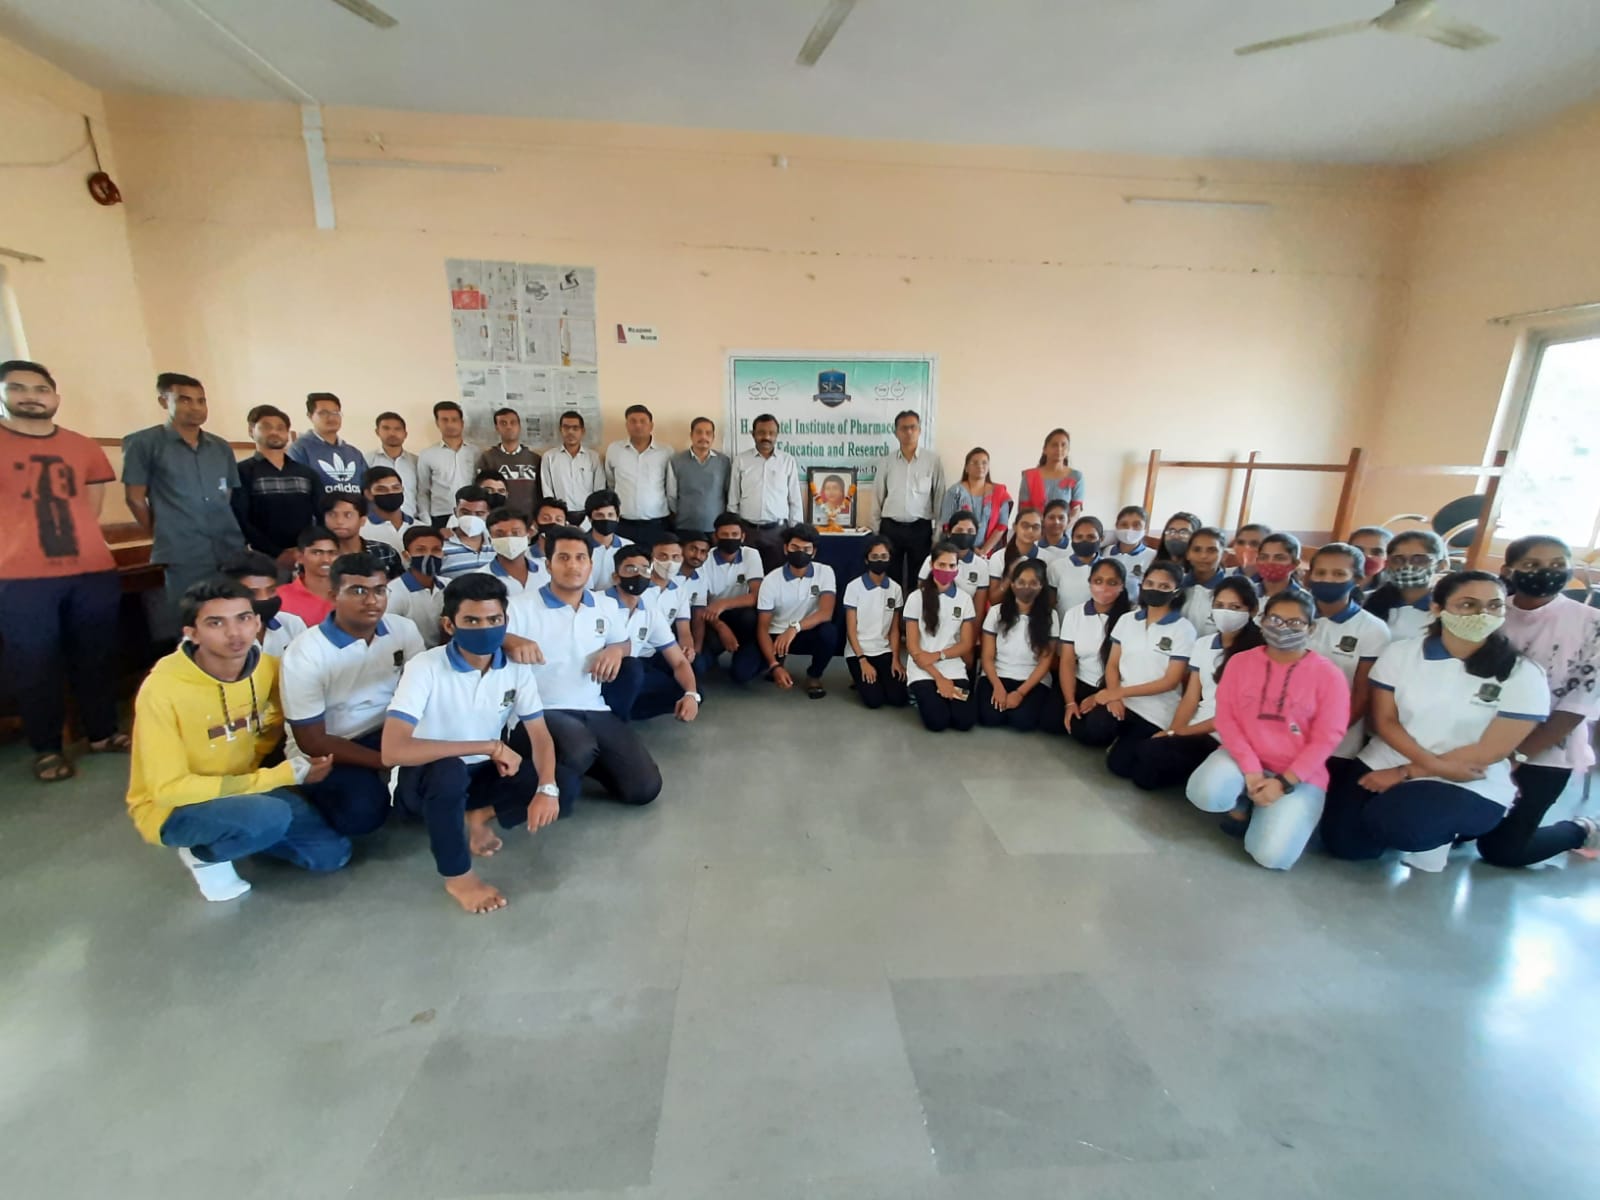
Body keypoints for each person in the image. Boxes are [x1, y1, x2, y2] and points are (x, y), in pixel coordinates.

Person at [126, 579, 349, 901]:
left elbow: (291, 721)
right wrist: (280, 776)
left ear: (257, 622)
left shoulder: (268, 669)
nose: (235, 633)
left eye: (243, 619)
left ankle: (242, 828)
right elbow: (167, 789)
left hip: (244, 787)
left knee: (332, 856)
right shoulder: (162, 690)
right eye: (216, 623)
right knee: (269, 817)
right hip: (175, 807)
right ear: (192, 632)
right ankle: (203, 854)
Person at [1322, 571, 1555, 871]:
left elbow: (1493, 749)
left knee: (1405, 824)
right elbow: (1385, 721)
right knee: (1347, 845)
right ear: (1437, 608)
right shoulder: (1402, 654)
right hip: (1388, 759)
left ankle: (1439, 836)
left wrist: (1408, 772)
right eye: (1468, 605)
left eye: (1494, 605)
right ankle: (1403, 818)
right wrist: (1422, 766)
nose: (1481, 614)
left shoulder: (1521, 672)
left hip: (1468, 774)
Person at [383, 572, 559, 914]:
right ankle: (458, 876)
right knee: (448, 772)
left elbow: (540, 735)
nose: (485, 628)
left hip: (480, 772)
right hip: (423, 780)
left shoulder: (515, 668)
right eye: (472, 620)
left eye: (494, 619)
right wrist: (489, 746)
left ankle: (475, 817)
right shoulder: (425, 668)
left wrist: (547, 788)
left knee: (558, 778)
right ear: (450, 626)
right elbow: (393, 750)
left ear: (506, 622)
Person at [0, 359, 127, 781]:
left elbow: (90, 506)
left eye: (39, 389)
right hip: (19, 577)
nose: (30, 396)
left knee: (97, 657)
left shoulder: (83, 446)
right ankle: (47, 747)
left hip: (90, 568)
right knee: (35, 663)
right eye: (18, 388)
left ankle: (102, 733)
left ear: (54, 397)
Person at [503, 526, 664, 812]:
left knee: (644, 789)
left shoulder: (603, 606)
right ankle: (553, 767)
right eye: (563, 558)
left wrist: (616, 650)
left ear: (590, 564)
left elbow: (625, 642)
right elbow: (488, 637)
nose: (573, 565)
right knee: (578, 748)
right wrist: (510, 640)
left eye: (580, 558)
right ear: (548, 564)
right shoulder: (518, 608)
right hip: (539, 710)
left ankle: (583, 762)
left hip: (593, 708)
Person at [1185, 591, 1350, 870]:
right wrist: (1251, 770)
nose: (1283, 628)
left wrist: (1284, 783)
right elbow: (1226, 719)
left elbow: (1327, 738)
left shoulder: (1328, 675)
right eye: (1275, 619)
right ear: (1262, 621)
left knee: (1271, 857)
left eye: (1295, 623)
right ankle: (1245, 798)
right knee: (1206, 792)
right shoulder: (1240, 662)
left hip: (1299, 774)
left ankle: (1266, 807)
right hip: (1243, 761)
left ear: (1311, 628)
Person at [1475, 536, 1600, 866]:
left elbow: (1578, 704)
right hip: (1477, 740)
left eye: (1558, 565)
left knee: (1504, 850)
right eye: (1532, 565)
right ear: (1508, 570)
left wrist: (1516, 755)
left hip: (1545, 748)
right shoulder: (1489, 614)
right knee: (1452, 825)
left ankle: (1582, 828)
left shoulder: (1592, 623)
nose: (1546, 572)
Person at [281, 552, 424, 837]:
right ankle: (297, 792)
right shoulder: (305, 653)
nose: (372, 601)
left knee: (439, 787)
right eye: (358, 591)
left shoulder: (402, 629)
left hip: (390, 730)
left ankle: (390, 783)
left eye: (379, 590)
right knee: (360, 816)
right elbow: (312, 741)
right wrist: (387, 760)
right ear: (334, 595)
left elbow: (423, 693)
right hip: (335, 745)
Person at [122, 372, 245, 628]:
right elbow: (134, 499)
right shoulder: (144, 443)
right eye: (185, 400)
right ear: (164, 401)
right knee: (192, 622)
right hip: (183, 552)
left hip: (228, 546)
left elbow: (227, 495)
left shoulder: (221, 447)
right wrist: (163, 533)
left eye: (201, 400)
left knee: (234, 617)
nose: (196, 407)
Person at [1123, 578, 1263, 790]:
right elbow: (1191, 696)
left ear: (1252, 610)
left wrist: (1180, 734)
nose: (1226, 613)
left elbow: (1233, 715)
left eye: (1235, 607)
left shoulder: (1259, 653)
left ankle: (1207, 775)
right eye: (1220, 606)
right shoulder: (1204, 644)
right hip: (1198, 728)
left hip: (1227, 735)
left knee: (1150, 756)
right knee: (1137, 765)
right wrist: (1173, 729)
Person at [1087, 560, 1195, 773]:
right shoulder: (1127, 620)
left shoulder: (1183, 630)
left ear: (1176, 591)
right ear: (1142, 585)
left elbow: (1170, 682)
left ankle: (1129, 743)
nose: (1155, 589)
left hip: (1157, 710)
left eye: (1164, 586)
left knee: (1121, 767)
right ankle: (1122, 739)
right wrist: (1115, 696)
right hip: (1124, 702)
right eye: (1150, 583)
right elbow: (1112, 665)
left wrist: (1117, 692)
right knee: (1094, 727)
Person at [1305, 542, 1392, 784]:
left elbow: (1363, 694)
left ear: (1357, 579)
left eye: (1339, 574)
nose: (1328, 580)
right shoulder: (1298, 616)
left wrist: (1328, 734)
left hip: (1338, 739)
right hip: (1287, 729)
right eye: (1320, 573)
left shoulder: (1372, 629)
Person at [733, 522, 839, 698]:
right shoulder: (771, 580)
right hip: (776, 636)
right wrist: (774, 666)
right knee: (740, 674)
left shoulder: (825, 572)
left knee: (829, 632)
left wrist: (794, 628)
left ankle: (814, 676)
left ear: (814, 553)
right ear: (785, 549)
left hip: (805, 631)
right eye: (795, 547)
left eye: (806, 549)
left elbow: (825, 612)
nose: (800, 553)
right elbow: (763, 628)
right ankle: (777, 661)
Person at [598, 545, 702, 722]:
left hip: (627, 677)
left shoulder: (651, 613)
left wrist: (691, 694)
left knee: (689, 692)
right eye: (630, 569)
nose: (638, 575)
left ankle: (624, 714)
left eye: (645, 569)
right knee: (632, 667)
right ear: (616, 577)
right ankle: (614, 723)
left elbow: (678, 661)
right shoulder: (597, 603)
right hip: (595, 677)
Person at [977, 558, 1061, 732]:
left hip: (1031, 680)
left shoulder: (1050, 616)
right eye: (1021, 582)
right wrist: (998, 687)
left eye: (1033, 583)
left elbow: (1045, 662)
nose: (1026, 587)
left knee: (1022, 721)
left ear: (1041, 586)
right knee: (990, 718)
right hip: (997, 675)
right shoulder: (996, 612)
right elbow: (987, 656)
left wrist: (1020, 693)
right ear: (1013, 585)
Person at [903, 541, 979, 731]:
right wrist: (939, 678)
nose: (947, 570)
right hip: (922, 668)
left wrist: (939, 656)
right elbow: (913, 647)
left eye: (952, 565)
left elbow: (966, 643)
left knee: (965, 721)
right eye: (942, 565)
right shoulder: (915, 598)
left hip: (952, 666)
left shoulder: (964, 599)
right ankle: (918, 693)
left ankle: (933, 695)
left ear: (957, 568)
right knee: (937, 722)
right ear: (932, 565)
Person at [233, 404, 319, 569]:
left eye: (280, 428)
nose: (274, 432)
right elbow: (241, 519)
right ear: (251, 431)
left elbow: (321, 514)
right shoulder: (242, 471)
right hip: (262, 558)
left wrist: (306, 549)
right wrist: (277, 553)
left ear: (287, 434)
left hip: (305, 556)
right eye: (266, 427)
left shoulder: (306, 473)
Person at [1060, 558, 1134, 746]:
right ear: (1090, 582)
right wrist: (1070, 702)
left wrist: (1103, 696)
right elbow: (1067, 661)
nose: (1104, 588)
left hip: (1117, 688)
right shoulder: (1074, 614)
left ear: (1122, 586)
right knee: (1051, 720)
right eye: (1098, 581)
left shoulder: (1131, 617)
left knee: (1095, 730)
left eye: (1112, 583)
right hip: (1083, 681)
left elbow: (1131, 667)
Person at [874, 409, 943, 590]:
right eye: (904, 428)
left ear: (920, 430)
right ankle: (893, 615)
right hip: (891, 527)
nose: (909, 432)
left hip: (920, 528)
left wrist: (938, 532)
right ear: (896, 433)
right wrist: (876, 531)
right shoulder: (886, 461)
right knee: (891, 577)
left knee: (919, 577)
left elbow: (939, 497)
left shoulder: (932, 461)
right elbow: (877, 496)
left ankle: (913, 616)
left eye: (913, 427)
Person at [726, 412, 802, 569]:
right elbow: (733, 499)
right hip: (747, 531)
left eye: (771, 433)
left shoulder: (787, 461)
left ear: (776, 435)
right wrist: (734, 530)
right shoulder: (741, 460)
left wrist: (796, 533)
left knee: (775, 576)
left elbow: (794, 500)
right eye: (761, 432)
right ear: (753, 434)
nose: (766, 437)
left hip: (778, 532)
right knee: (745, 575)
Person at [843, 536, 908, 709]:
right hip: (859, 651)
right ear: (866, 559)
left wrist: (896, 659)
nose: (879, 561)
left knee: (899, 699)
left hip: (884, 650)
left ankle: (878, 677)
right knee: (874, 701)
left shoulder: (895, 588)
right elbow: (850, 630)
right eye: (874, 557)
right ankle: (858, 677)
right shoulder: (854, 587)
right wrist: (862, 660)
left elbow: (894, 629)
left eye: (884, 557)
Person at [698, 510, 764, 674]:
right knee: (700, 666)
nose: (730, 538)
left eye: (735, 534)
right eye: (725, 534)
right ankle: (713, 655)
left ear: (742, 537)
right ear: (716, 537)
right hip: (711, 618)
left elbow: (757, 596)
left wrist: (724, 603)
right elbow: (700, 604)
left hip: (740, 616)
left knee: (742, 674)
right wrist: (721, 627)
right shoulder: (705, 559)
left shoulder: (751, 555)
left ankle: (746, 652)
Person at [604, 403, 673, 547]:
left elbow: (670, 486)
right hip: (623, 523)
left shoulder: (666, 452)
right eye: (633, 421)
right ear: (627, 425)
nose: (638, 425)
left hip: (656, 523)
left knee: (654, 564)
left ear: (651, 425)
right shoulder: (614, 449)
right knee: (624, 564)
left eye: (643, 421)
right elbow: (611, 482)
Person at [219, 551, 307, 658]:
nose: (264, 598)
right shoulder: (217, 633)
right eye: (253, 592)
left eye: (271, 590)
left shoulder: (292, 624)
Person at [1364, 529, 1446, 641]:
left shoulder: (1448, 609)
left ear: (1440, 565)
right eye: (1398, 560)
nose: (1407, 566)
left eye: (1419, 559)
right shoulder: (1368, 601)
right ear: (1387, 564)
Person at [286, 392, 363, 502]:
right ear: (310, 416)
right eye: (323, 413)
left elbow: (366, 489)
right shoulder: (299, 449)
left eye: (336, 412)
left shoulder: (353, 452)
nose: (331, 417)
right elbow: (298, 492)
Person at [669, 415, 733, 540]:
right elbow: (671, 497)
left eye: (708, 433)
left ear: (713, 437)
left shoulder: (723, 462)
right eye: (699, 432)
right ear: (691, 435)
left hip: (715, 528)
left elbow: (728, 493)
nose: (703, 437)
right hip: (685, 527)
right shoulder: (676, 460)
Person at [417, 400, 479, 528]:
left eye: (454, 419)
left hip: (472, 514)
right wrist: (426, 520)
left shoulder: (476, 452)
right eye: (444, 420)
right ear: (437, 423)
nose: (450, 424)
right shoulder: (427, 454)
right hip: (441, 516)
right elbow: (423, 491)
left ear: (461, 423)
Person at [940, 446, 1011, 556]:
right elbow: (946, 525)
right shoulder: (955, 492)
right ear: (966, 468)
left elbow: (1002, 525)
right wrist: (969, 551)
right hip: (958, 552)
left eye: (984, 463)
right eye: (975, 463)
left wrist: (983, 551)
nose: (980, 466)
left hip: (989, 553)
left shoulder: (1000, 493)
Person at [387, 525, 447, 647]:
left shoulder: (449, 585)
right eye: (421, 550)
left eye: (436, 550)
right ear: (406, 555)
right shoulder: (393, 592)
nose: (429, 555)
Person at [540, 409, 603, 524]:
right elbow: (547, 491)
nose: (570, 432)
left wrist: (592, 516)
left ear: (582, 431)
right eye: (566, 428)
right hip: (560, 517)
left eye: (575, 428)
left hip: (588, 516)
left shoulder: (593, 457)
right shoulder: (549, 457)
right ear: (561, 430)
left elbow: (599, 490)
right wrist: (555, 516)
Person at [321, 492, 400, 579]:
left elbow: (397, 588)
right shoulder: (318, 556)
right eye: (332, 515)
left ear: (362, 520)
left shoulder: (384, 552)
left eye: (348, 515)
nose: (339, 521)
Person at [918, 509, 991, 604]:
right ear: (949, 532)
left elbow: (978, 608)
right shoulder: (932, 559)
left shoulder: (981, 566)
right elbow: (920, 597)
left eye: (970, 531)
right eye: (959, 530)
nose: (965, 534)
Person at [475, 406, 540, 512]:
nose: (509, 427)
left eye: (513, 422)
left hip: (529, 518)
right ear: (497, 428)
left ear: (519, 426)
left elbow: (541, 492)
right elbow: (482, 492)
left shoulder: (534, 459)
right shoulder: (487, 458)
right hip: (498, 518)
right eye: (503, 423)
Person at [473, 506, 547, 596]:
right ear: (490, 539)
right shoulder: (479, 579)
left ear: (528, 536)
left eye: (515, 533)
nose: (509, 538)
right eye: (500, 534)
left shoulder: (547, 570)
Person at [278, 524, 340, 625]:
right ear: (299, 557)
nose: (326, 560)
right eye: (317, 553)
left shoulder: (349, 593)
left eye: (332, 553)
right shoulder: (281, 597)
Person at [1047, 514, 1105, 617]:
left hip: (1098, 628)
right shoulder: (1057, 567)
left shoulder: (1108, 568)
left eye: (1091, 537)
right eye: (1079, 537)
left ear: (1101, 539)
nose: (1084, 541)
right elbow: (1051, 603)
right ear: (1072, 539)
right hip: (1064, 627)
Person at [1018, 428, 1084, 518]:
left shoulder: (1076, 477)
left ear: (1068, 450)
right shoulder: (1030, 476)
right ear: (1045, 449)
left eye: (1063, 445)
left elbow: (1076, 510)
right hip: (1036, 528)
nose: (1059, 449)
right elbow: (1024, 509)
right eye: (1054, 445)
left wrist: (1062, 528)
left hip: (1064, 529)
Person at [986, 507, 1044, 605]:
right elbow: (994, 600)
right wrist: (1010, 576)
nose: (1030, 530)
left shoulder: (1048, 558)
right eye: (1025, 526)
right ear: (1015, 527)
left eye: (1035, 527)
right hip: (1005, 613)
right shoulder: (998, 557)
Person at [1178, 526, 1230, 636]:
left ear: (1224, 555)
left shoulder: (1231, 590)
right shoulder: (1176, 584)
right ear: (1188, 554)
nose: (1203, 556)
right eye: (1197, 550)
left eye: (1212, 550)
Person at [359, 464, 417, 561]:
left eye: (396, 488)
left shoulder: (419, 526)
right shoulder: (360, 530)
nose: (390, 492)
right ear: (368, 494)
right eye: (381, 489)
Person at [367, 410, 419, 517]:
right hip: (378, 522)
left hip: (413, 520)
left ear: (405, 434)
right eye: (386, 428)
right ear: (377, 432)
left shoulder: (416, 462)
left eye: (397, 429)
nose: (392, 433)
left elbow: (423, 493)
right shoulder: (367, 460)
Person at [439, 485, 496, 578]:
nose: (472, 518)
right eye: (465, 513)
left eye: (479, 514)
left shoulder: (498, 544)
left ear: (488, 515)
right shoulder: (440, 545)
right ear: (455, 512)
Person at [581, 487, 632, 590]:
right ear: (590, 518)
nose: (606, 519)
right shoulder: (579, 547)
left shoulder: (629, 547)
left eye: (610, 515)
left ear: (617, 517)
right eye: (599, 515)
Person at [1253, 531, 1309, 604]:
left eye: (1279, 558)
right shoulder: (1246, 593)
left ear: (1295, 563)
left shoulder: (1304, 600)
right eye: (1264, 557)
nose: (1270, 562)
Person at [1108, 505, 1156, 584]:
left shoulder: (1153, 556)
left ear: (1145, 529)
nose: (1129, 529)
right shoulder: (1106, 551)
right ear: (1116, 526)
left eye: (1136, 525)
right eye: (1124, 524)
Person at [1348, 525, 1393, 596]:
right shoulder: (1330, 583)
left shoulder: (1392, 591)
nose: (1367, 556)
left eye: (1377, 552)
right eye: (1359, 550)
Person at [1037, 500, 1073, 564]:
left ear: (1068, 521)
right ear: (1043, 520)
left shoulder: (1073, 550)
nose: (1056, 522)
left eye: (1061, 518)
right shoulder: (1033, 548)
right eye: (1051, 517)